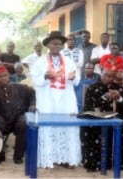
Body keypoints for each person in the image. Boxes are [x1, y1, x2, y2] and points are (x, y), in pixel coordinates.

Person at [31, 31, 81, 168]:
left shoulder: (69, 62)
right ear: (48, 45)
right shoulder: (40, 62)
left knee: (67, 126)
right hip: (48, 99)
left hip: (66, 99)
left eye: (59, 44)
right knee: (48, 127)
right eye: (54, 43)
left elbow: (77, 80)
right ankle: (49, 159)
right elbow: (35, 80)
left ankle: (67, 159)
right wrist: (45, 77)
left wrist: (73, 77)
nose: (57, 46)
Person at [0, 65, 35, 166]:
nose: (4, 78)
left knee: (23, 123)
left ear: (8, 76)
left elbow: (33, 93)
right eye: (0, 76)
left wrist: (33, 104)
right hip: (2, 117)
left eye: (5, 75)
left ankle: (18, 156)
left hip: (18, 115)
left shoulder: (20, 87)